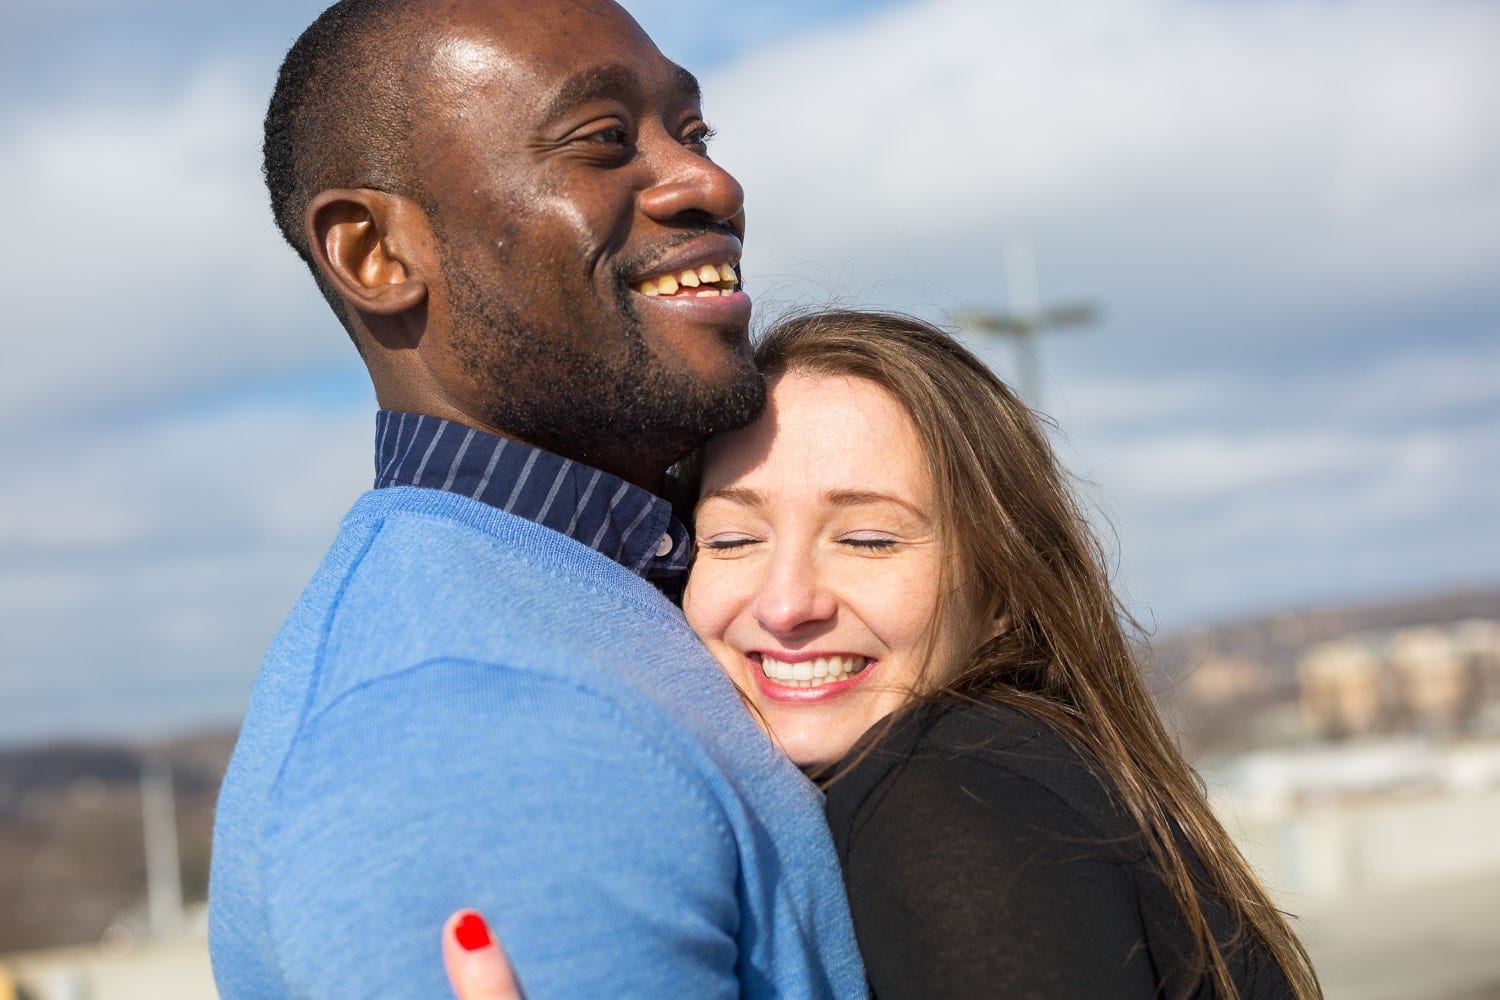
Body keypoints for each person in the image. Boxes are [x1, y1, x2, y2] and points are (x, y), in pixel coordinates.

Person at [206, 1, 866, 996]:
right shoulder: (468, 721)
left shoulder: (578, 601)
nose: (709, 182)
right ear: (375, 254)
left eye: (693, 133)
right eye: (602, 141)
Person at [443, 309, 1323, 999]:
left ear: (1004, 593)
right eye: (734, 539)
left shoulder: (947, 809)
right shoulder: (1020, 773)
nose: (788, 604)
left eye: (867, 540)